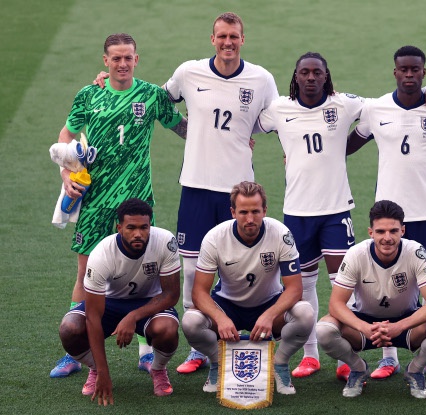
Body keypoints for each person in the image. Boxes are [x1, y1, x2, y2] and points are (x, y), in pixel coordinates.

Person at [257, 52, 426, 379]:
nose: (311, 77)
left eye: (317, 72)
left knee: (346, 285)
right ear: (296, 76)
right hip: (297, 211)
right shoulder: (279, 108)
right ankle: (311, 355)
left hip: (336, 210)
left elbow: (391, 102)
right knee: (304, 284)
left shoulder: (344, 104)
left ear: (326, 76)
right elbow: (251, 122)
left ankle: (358, 357)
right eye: (305, 72)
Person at [51, 33, 187, 378]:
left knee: (146, 273)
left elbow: (183, 128)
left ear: (136, 60)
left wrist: (227, 135)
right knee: (84, 271)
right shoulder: (89, 94)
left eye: (128, 58)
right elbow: (66, 136)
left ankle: (146, 348)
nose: (122, 64)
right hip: (95, 200)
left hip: (136, 204)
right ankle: (74, 351)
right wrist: (66, 173)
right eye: (116, 58)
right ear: (106, 61)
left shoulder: (152, 95)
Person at [162, 12, 280, 374]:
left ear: (243, 39)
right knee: (192, 267)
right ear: (212, 39)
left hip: (238, 193)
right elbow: (160, 101)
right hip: (196, 186)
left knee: (240, 264)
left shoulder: (261, 79)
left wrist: (246, 132)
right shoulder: (189, 72)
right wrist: (189, 130)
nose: (228, 42)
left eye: (234, 36)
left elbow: (276, 117)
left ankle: (245, 329)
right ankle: (199, 349)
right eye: (222, 36)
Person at [346, 45, 426, 380]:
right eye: (404, 69)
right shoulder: (376, 109)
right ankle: (388, 357)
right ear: (395, 72)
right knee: (386, 286)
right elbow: (348, 144)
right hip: (388, 216)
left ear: (423, 72)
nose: (409, 74)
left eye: (416, 69)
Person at [181, 181, 314, 395]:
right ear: (233, 212)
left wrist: (270, 315)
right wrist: (220, 318)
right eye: (243, 212)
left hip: (269, 302)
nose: (250, 219)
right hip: (227, 305)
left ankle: (279, 364)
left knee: (305, 314)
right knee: (190, 322)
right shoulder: (215, 238)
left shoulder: (281, 234)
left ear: (264, 211)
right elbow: (198, 292)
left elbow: (294, 289)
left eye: (255, 211)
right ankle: (218, 363)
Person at [316, 200, 426, 399]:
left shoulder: (415, 251)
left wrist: (399, 326)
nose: (387, 238)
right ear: (371, 232)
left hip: (407, 324)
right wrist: (364, 327)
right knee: (324, 330)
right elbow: (335, 304)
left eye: (393, 231)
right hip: (365, 325)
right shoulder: (356, 254)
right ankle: (358, 368)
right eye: (380, 231)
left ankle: (415, 370)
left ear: (402, 231)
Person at [57, 198, 182, 405]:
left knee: (167, 329)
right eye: (131, 228)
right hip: (110, 303)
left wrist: (132, 316)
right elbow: (93, 316)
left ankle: (158, 369)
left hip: (149, 302)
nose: (138, 234)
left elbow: (171, 295)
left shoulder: (165, 241)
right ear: (119, 228)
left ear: (150, 226)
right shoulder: (101, 254)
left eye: (144, 227)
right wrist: (103, 371)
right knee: (69, 328)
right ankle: (94, 370)